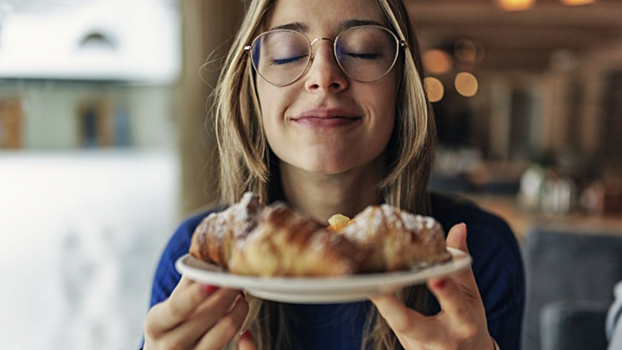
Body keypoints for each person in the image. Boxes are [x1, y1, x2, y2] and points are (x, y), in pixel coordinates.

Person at [141, 0, 525, 349]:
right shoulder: (196, 260)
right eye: (287, 54)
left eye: (362, 51)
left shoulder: (478, 255)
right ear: (252, 87)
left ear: (401, 84)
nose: (323, 76)